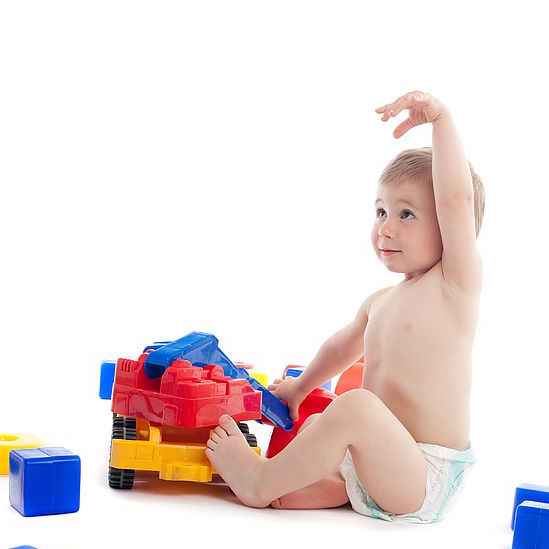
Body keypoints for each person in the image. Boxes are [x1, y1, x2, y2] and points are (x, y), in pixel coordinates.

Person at [206, 90, 485, 523]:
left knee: (354, 406)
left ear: (452, 230)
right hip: (375, 466)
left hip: (422, 475)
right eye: (380, 212)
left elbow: (456, 199)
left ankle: (261, 482)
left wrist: (442, 119)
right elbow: (340, 351)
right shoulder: (380, 302)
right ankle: (322, 487)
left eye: (406, 214)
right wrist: (299, 389)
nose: (385, 229)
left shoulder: (454, 287)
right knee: (322, 425)